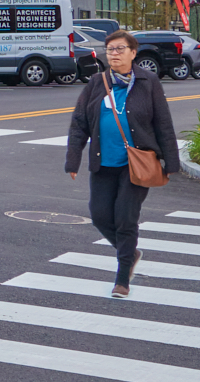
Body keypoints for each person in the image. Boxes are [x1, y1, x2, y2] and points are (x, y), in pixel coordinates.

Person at [64, 28, 180, 297]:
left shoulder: (148, 81)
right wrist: (73, 160)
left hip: (136, 163)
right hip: (103, 163)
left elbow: (163, 123)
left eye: (119, 49)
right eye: (110, 49)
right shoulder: (96, 82)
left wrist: (170, 163)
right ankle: (131, 252)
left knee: (126, 219)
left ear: (133, 53)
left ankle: (122, 278)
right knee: (100, 215)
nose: (114, 54)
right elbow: (79, 123)